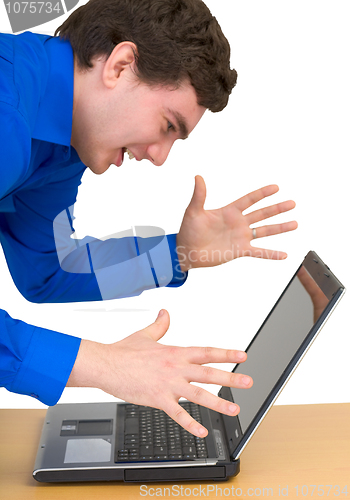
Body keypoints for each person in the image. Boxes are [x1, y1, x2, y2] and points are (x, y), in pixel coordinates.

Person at [0, 0, 297, 437]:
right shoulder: (8, 115)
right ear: (120, 66)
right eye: (167, 126)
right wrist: (105, 364)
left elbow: (50, 270)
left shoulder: (63, 144)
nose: (158, 157)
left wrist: (180, 254)